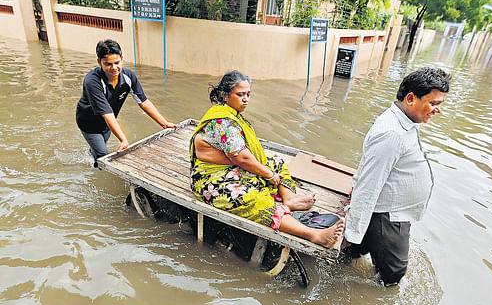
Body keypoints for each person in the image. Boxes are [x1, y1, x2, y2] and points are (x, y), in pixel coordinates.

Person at [189, 70, 345, 249]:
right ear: (225, 95)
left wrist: (268, 169)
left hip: (229, 167)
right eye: (240, 95)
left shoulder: (231, 115)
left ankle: (289, 198)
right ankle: (314, 234)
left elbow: (244, 156)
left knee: (276, 161)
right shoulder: (223, 122)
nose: (246, 99)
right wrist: (269, 175)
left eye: (248, 94)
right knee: (253, 199)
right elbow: (242, 158)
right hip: (209, 179)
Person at [342, 67, 451, 286]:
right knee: (393, 275)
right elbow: (369, 185)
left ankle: (350, 256)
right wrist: (351, 231)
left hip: (392, 211)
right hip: (388, 216)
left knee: (355, 252)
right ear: (411, 98)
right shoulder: (392, 134)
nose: (437, 110)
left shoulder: (406, 121)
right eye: (434, 103)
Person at [76, 39, 176, 167]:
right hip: (88, 123)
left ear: (122, 59)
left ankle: (92, 153)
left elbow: (143, 101)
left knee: (100, 147)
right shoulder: (92, 81)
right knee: (102, 153)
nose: (114, 68)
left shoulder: (129, 77)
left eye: (117, 63)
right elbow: (107, 114)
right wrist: (123, 139)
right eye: (108, 64)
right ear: (99, 62)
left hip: (107, 123)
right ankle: (95, 170)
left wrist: (164, 123)